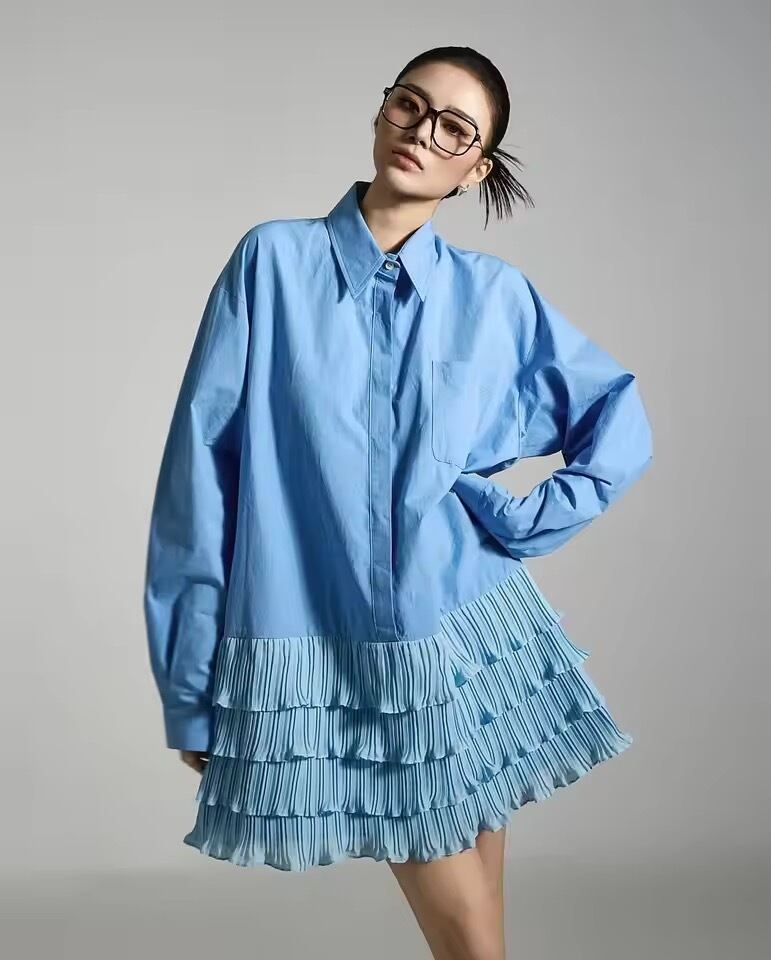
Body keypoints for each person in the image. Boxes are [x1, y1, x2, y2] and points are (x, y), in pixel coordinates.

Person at [143, 45, 653, 960]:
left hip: (466, 629)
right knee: (471, 935)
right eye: (410, 105)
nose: (422, 132)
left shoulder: (493, 298)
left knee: (474, 932)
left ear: (476, 167)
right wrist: (191, 685)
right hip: (321, 634)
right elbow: (198, 477)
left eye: (455, 128)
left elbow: (613, 415)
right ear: (383, 110)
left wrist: (519, 519)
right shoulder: (271, 263)